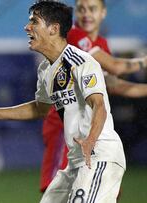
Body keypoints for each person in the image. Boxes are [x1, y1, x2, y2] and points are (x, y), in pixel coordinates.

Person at [0, 1, 125, 202]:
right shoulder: (46, 69)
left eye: (34, 22)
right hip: (76, 159)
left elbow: (99, 105)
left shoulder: (81, 62)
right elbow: (40, 108)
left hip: (99, 154)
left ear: (54, 29)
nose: (27, 28)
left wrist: (91, 140)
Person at [40, 0, 147, 193]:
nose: (86, 14)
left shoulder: (102, 44)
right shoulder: (74, 36)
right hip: (64, 126)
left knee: (107, 190)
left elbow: (114, 85)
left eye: (92, 8)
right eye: (81, 9)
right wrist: (144, 61)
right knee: (60, 191)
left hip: (90, 128)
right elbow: (116, 67)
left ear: (103, 12)